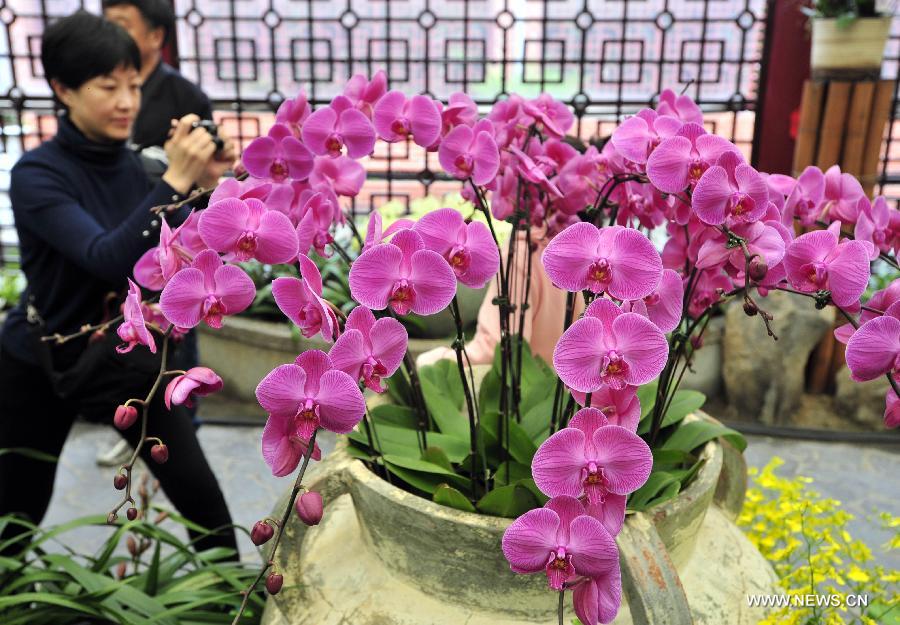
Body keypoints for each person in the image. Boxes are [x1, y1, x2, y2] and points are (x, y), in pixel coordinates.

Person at [0, 11, 238, 555]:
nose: (128, 102)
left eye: (134, 85)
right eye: (108, 87)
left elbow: (180, 248)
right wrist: (175, 178)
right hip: (40, 360)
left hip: (126, 359)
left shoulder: (137, 170)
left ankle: (231, 609)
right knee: (15, 515)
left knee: (210, 519)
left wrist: (204, 185)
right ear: (62, 89)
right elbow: (106, 258)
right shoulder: (37, 174)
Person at [101, 0, 214, 465]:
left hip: (173, 246)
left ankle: (184, 421)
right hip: (115, 236)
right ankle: (138, 421)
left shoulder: (183, 98)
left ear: (155, 37)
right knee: (125, 332)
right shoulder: (100, 97)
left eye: (122, 27)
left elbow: (205, 189)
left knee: (180, 334)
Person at [102, 0, 212, 150]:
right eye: (108, 26)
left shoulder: (187, 97)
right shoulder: (94, 86)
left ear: (156, 37)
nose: (110, 35)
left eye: (121, 27)